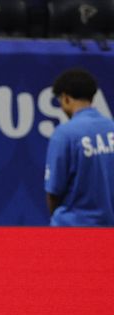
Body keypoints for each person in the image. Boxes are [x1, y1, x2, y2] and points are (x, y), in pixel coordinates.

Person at [45, 68, 114, 226]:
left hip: (72, 230)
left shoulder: (64, 134)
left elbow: (53, 191)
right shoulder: (112, 128)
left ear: (66, 98)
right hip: (109, 231)